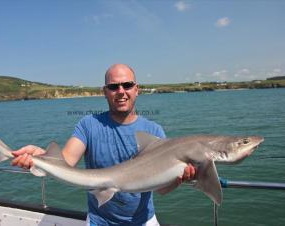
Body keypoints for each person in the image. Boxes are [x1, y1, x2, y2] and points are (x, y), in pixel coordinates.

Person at [12, 64, 196, 226]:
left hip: (144, 220)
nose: (121, 91)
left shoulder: (154, 131)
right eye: (113, 86)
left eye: (127, 85)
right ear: (105, 92)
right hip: (99, 221)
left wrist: (179, 179)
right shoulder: (88, 124)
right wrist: (41, 157)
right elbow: (66, 162)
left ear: (137, 89)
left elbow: (162, 189)